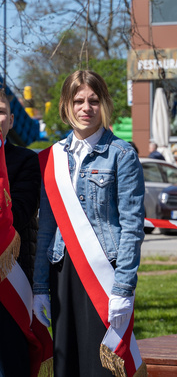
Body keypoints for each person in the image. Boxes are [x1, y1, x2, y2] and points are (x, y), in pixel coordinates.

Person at [33, 70, 147, 377]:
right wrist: (39, 287)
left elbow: (133, 227)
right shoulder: (52, 158)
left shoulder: (121, 154)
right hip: (61, 272)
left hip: (103, 275)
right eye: (78, 100)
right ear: (66, 106)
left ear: (105, 104)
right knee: (66, 364)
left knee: (101, 367)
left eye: (94, 100)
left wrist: (123, 288)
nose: (86, 108)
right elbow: (46, 228)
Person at [0, 89, 47, 376]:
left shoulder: (25, 161)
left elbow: (17, 215)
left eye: (1, 111)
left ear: (12, 120)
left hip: (11, 284)